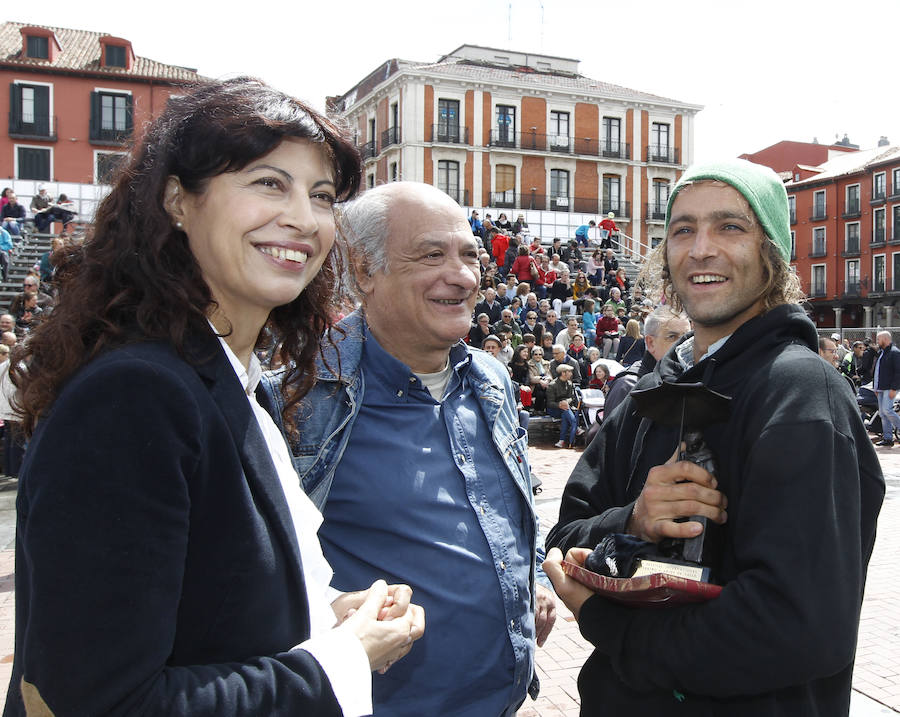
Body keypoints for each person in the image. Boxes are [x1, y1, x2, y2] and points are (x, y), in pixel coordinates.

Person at [4, 77, 426, 717]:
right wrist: (346, 659)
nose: (302, 218)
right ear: (178, 199)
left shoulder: (228, 381)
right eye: (267, 182)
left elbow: (212, 614)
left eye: (321, 196)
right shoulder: (136, 395)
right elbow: (103, 702)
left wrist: (326, 616)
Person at [543, 157, 885, 716]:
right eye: (683, 229)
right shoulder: (646, 397)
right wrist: (632, 520)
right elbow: (563, 543)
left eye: (730, 226)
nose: (701, 248)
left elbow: (794, 628)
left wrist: (608, 623)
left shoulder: (802, 394)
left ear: (770, 250)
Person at [261, 181, 555, 716]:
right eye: (431, 255)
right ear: (364, 270)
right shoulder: (298, 393)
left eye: (469, 255)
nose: (462, 275)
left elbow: (515, 504)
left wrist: (530, 575)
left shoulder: (489, 377)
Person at [603, 305, 691, 417]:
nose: (682, 344)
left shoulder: (688, 379)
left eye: (687, 337)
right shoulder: (627, 385)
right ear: (650, 342)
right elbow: (611, 433)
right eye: (672, 337)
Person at [873, 330, 900, 447]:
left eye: (879, 339)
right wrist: (876, 387)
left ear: (885, 339)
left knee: (887, 411)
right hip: (881, 388)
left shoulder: (894, 353)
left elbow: (898, 372)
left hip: (890, 387)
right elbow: (877, 370)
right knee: (883, 414)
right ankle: (888, 438)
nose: (877, 342)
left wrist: (894, 388)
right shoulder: (882, 353)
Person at [546, 364, 578, 447]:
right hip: (554, 409)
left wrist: (565, 402)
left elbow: (572, 397)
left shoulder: (569, 384)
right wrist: (559, 405)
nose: (571, 374)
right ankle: (576, 428)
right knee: (568, 414)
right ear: (563, 373)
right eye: (569, 372)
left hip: (566, 408)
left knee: (565, 414)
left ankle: (562, 440)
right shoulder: (552, 385)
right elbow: (549, 403)